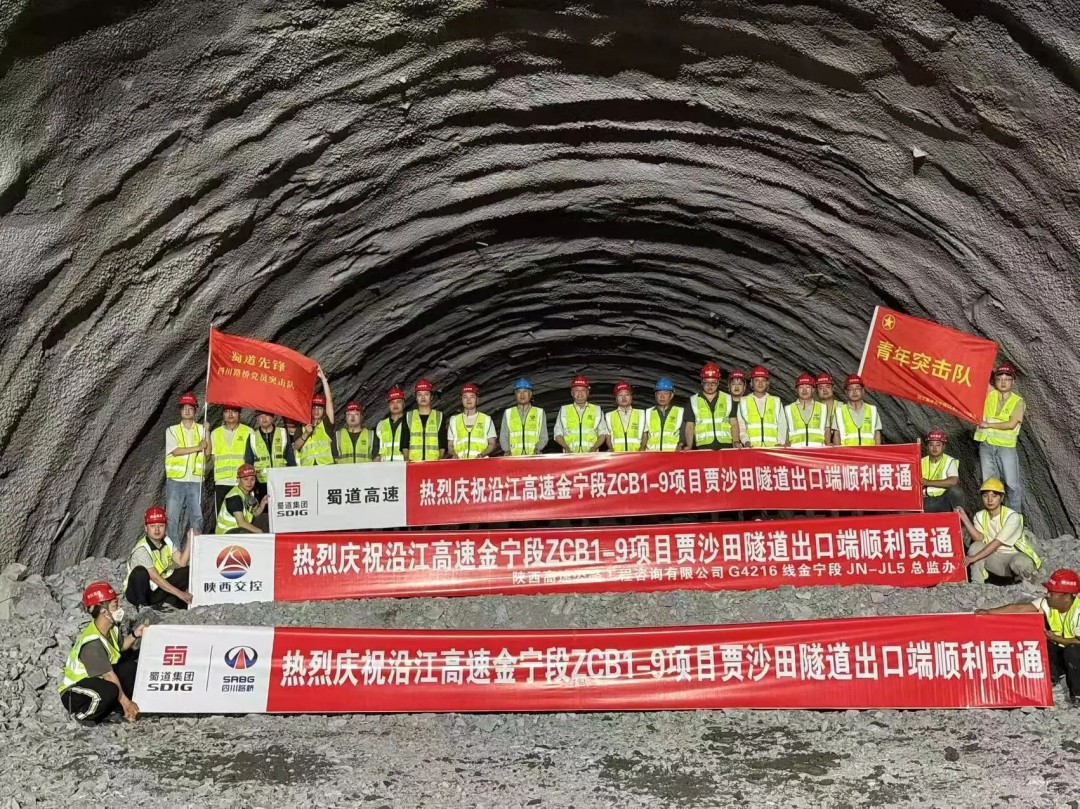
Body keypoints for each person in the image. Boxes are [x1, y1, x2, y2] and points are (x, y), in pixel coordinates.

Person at [977, 569, 1080, 707]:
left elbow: (1077, 642)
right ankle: (1056, 681)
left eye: (1052, 592)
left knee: (1072, 650)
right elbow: (1020, 608)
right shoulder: (1047, 603)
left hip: (1075, 651)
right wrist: (989, 612)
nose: (1048, 594)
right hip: (1062, 649)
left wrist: (1055, 638)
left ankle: (1077, 694)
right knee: (1044, 645)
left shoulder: (1078, 611)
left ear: (1066, 596)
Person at [59, 581, 144, 724]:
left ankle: (114, 709)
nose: (119, 609)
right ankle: (85, 716)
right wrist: (126, 703)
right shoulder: (92, 643)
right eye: (115, 605)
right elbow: (108, 675)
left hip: (96, 681)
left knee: (129, 667)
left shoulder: (111, 629)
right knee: (110, 690)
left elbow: (119, 647)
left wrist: (135, 634)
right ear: (103, 611)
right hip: (75, 691)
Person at [957, 478, 1041, 584]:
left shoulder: (1012, 516)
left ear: (1001, 498)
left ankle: (1026, 584)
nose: (989, 500)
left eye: (994, 496)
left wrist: (973, 558)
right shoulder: (979, 516)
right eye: (985, 495)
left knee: (1020, 562)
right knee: (975, 546)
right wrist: (965, 519)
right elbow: (979, 538)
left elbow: (997, 542)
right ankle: (977, 584)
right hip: (994, 559)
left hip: (1012, 557)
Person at [974, 363, 1026, 512]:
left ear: (1013, 381)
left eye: (1007, 379)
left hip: (1006, 448)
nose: (1003, 382)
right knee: (990, 484)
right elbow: (978, 378)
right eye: (999, 378)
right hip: (986, 445)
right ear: (995, 381)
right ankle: (993, 518)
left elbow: (1011, 424)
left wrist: (988, 425)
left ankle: (1014, 518)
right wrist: (984, 361)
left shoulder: (1018, 401)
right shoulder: (990, 395)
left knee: (1011, 484)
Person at [124, 506, 192, 610]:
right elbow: (155, 577)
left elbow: (182, 562)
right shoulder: (142, 549)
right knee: (140, 572)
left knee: (187, 571)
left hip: (156, 589)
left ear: (166, 526)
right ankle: (143, 608)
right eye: (152, 526)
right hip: (139, 592)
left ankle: (168, 601)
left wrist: (190, 541)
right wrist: (179, 593)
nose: (157, 530)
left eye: (161, 525)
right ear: (146, 528)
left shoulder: (166, 541)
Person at [164, 391, 207, 549]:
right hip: (176, 481)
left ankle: (195, 551)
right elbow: (175, 451)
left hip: (195, 480)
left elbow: (208, 453)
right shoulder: (172, 430)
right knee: (172, 518)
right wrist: (198, 447)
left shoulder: (202, 430)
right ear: (180, 410)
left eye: (190, 407)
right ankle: (174, 551)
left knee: (197, 517)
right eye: (184, 408)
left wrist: (208, 432)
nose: (187, 410)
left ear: (195, 410)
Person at [208, 404, 253, 511]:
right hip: (222, 481)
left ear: (239, 414)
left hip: (242, 481)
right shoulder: (215, 433)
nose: (230, 414)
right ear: (223, 414)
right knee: (222, 514)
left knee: (244, 513)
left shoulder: (248, 432)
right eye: (227, 411)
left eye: (234, 411)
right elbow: (212, 456)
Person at [245, 410, 297, 501]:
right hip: (261, 483)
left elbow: (290, 459)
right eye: (261, 416)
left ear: (272, 417)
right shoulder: (252, 436)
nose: (264, 418)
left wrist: (293, 478)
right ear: (257, 419)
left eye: (267, 415)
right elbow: (249, 462)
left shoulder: (283, 433)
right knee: (264, 508)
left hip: (281, 480)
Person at [555, 376, 608, 453]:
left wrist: (594, 448)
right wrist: (566, 447)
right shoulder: (564, 409)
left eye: (583, 390)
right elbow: (557, 433)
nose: (580, 393)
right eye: (576, 390)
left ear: (588, 393)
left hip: (591, 455)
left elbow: (602, 433)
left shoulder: (597, 409)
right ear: (572, 393)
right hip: (569, 455)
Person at [294, 367, 336, 465]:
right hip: (308, 469)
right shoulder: (302, 426)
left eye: (319, 408)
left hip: (326, 467)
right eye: (314, 408)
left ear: (324, 410)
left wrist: (324, 380)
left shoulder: (326, 424)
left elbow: (329, 401)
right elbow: (296, 446)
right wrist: (306, 434)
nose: (316, 411)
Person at [737, 367, 786, 448]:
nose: (760, 383)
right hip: (752, 448)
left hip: (773, 448)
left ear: (767, 383)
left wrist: (780, 442)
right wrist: (745, 441)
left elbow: (782, 425)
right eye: (757, 380)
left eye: (763, 380)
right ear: (751, 382)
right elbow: (741, 426)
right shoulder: (743, 401)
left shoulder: (776, 401)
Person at [690, 363, 735, 450]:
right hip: (703, 447)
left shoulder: (728, 399)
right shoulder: (693, 400)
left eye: (713, 382)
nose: (710, 385)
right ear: (702, 382)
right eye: (707, 382)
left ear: (718, 382)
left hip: (726, 446)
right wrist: (689, 445)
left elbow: (734, 423)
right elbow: (690, 426)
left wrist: (735, 442)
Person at [500, 378, 549, 456]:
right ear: (515, 395)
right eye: (519, 392)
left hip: (533, 457)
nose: (522, 394)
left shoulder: (539, 412)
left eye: (525, 391)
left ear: (530, 394)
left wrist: (537, 449)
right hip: (513, 457)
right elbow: (503, 436)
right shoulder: (508, 413)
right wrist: (507, 450)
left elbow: (544, 436)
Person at [642, 377, 693, 451]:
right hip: (652, 454)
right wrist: (642, 450)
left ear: (671, 395)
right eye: (659, 393)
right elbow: (645, 435)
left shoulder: (680, 411)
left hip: (672, 454)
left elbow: (684, 432)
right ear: (655, 395)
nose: (662, 397)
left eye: (665, 393)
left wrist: (680, 445)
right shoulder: (648, 412)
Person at [216, 464, 269, 534]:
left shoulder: (249, 493)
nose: (249, 482)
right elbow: (241, 523)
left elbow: (255, 514)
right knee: (244, 532)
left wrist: (263, 503)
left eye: (252, 479)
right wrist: (261, 532)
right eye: (246, 479)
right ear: (238, 480)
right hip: (227, 532)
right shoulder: (234, 497)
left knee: (265, 518)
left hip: (239, 528)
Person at [403, 379, 447, 462]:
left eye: (426, 394)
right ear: (416, 398)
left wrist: (439, 459)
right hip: (414, 462)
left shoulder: (440, 416)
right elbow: (404, 442)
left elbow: (443, 442)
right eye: (419, 394)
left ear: (431, 397)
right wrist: (407, 460)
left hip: (433, 463)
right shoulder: (408, 416)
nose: (423, 397)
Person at [449, 383, 497, 459]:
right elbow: (450, 445)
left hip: (481, 463)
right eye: (465, 397)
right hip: (460, 463)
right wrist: (454, 454)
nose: (468, 400)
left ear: (477, 399)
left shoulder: (487, 419)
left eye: (472, 397)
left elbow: (492, 443)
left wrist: (482, 454)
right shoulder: (454, 420)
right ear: (461, 400)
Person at [832, 374, 881, 446]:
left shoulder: (872, 410)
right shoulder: (839, 412)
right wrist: (838, 451)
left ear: (863, 390)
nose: (854, 392)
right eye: (850, 389)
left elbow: (877, 433)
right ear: (846, 392)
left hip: (868, 452)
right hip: (848, 452)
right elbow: (836, 435)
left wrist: (877, 451)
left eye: (857, 388)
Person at [921, 428, 962, 512]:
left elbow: (953, 481)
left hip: (943, 499)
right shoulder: (921, 461)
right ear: (927, 446)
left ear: (944, 447)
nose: (934, 448)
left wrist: (928, 482)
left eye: (938, 445)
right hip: (925, 499)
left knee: (956, 491)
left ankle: (959, 517)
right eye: (931, 445)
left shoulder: (949, 461)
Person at [785, 374, 828, 448]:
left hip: (818, 450)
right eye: (801, 387)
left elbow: (827, 429)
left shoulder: (822, 408)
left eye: (808, 387)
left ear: (813, 390)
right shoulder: (788, 409)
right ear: (796, 390)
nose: (804, 390)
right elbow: (785, 430)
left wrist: (827, 446)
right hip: (796, 450)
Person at [606, 381, 645, 452]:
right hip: (617, 454)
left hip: (636, 454)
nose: (624, 398)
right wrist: (611, 449)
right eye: (620, 395)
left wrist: (642, 449)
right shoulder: (609, 415)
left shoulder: (641, 414)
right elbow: (608, 436)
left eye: (627, 395)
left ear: (631, 397)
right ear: (616, 398)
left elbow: (645, 433)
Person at [373, 387, 408, 461]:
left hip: (402, 466)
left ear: (404, 403)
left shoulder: (409, 422)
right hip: (385, 466)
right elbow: (376, 451)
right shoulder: (381, 425)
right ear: (388, 405)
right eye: (392, 403)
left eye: (398, 402)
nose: (395, 406)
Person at [815, 372, 838, 445]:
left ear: (833, 388)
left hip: (839, 446)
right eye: (820, 388)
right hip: (819, 447)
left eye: (827, 387)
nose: (824, 390)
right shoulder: (813, 408)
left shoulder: (842, 407)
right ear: (816, 391)